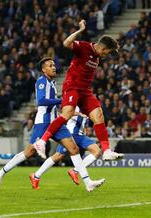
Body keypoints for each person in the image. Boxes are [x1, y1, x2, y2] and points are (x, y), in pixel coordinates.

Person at [0, 57, 104, 192]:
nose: (54, 67)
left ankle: (88, 182)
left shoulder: (52, 83)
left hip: (56, 122)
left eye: (54, 65)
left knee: (73, 149)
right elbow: (41, 101)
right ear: (43, 69)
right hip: (43, 122)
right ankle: (0, 173)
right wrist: (60, 101)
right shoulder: (41, 81)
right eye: (50, 66)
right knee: (29, 152)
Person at [33, 20, 124, 161]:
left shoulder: (97, 57)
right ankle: (42, 141)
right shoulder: (84, 47)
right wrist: (80, 30)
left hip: (85, 91)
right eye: (109, 52)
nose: (108, 55)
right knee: (67, 114)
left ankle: (106, 151)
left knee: (99, 115)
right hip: (72, 86)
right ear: (104, 49)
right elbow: (66, 43)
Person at [30, 107, 101, 189]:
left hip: (80, 135)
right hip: (71, 134)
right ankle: (36, 176)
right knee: (58, 156)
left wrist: (83, 127)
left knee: (97, 151)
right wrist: (78, 114)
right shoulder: (74, 102)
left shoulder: (84, 103)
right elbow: (65, 112)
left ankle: (75, 171)